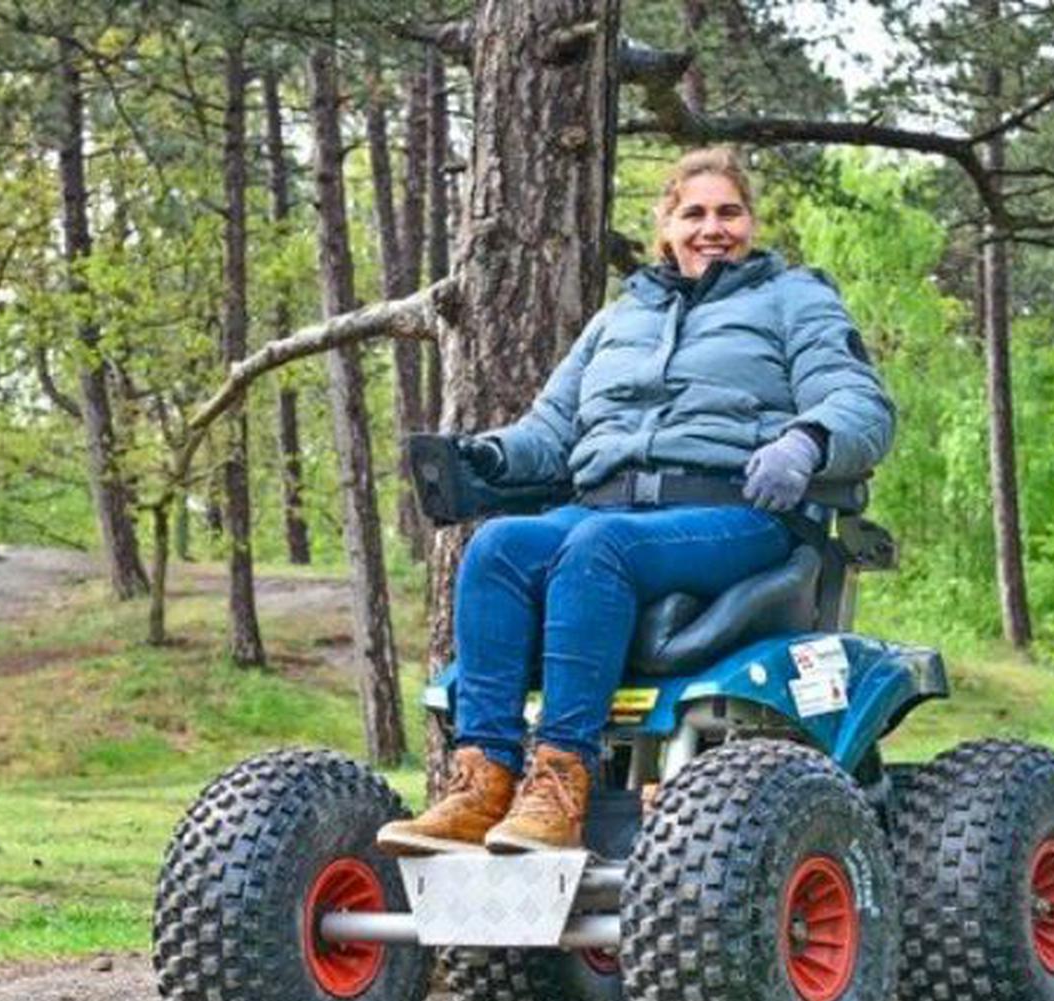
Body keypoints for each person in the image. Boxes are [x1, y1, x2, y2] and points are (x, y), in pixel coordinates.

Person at [376, 146, 895, 857]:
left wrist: (807, 441)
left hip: (735, 513)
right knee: (497, 547)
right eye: (694, 213)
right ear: (666, 227)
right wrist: (488, 455)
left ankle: (561, 784)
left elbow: (860, 402)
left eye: (729, 212)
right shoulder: (616, 321)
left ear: (751, 222)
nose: (713, 227)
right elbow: (552, 433)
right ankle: (482, 780)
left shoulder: (793, 299)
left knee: (598, 549)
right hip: (608, 508)